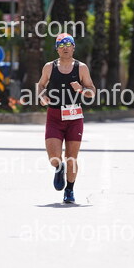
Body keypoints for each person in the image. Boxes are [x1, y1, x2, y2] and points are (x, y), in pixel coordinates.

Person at [37, 33, 96, 204]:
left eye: (68, 45)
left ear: (73, 48)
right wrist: (42, 96)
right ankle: (58, 167)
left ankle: (69, 190)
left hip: (74, 117)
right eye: (61, 45)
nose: (65, 48)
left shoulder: (81, 68)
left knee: (71, 157)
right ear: (57, 49)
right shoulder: (49, 67)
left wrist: (81, 89)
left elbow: (92, 92)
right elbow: (41, 85)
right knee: (53, 157)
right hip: (54, 116)